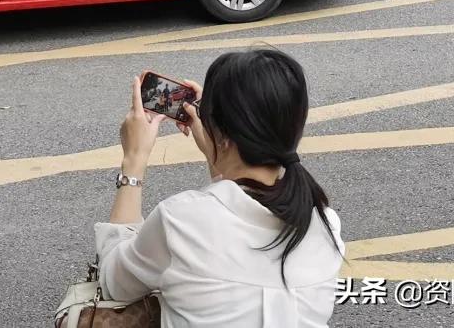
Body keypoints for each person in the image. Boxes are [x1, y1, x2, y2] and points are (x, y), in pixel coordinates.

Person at [95, 51, 343, 326]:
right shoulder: (326, 225)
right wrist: (217, 145)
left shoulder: (181, 220)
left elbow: (113, 281)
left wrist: (134, 158)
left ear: (222, 135)